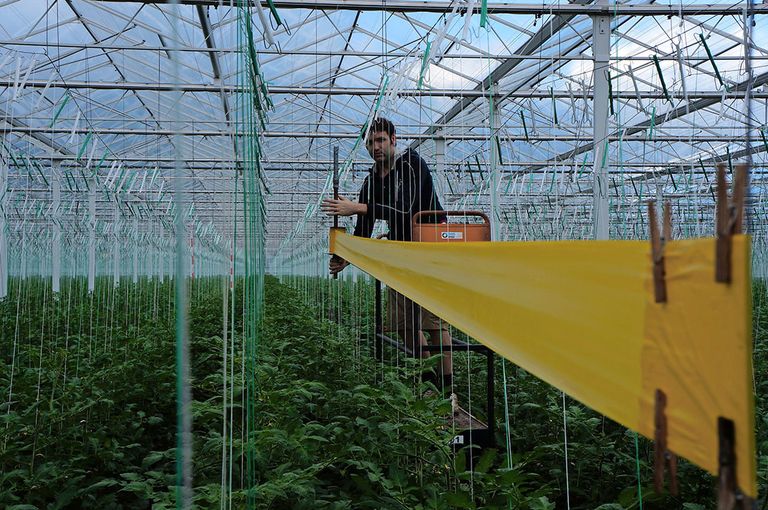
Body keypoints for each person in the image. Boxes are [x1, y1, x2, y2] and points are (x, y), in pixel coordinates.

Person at [321, 117, 454, 393]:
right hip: (402, 252)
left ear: (394, 139)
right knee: (403, 322)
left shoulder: (411, 164)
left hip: (430, 248)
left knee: (432, 322)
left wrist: (356, 207)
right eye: (370, 143)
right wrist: (348, 256)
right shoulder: (372, 179)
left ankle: (449, 388)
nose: (376, 147)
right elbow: (364, 227)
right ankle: (429, 382)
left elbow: (404, 211)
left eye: (380, 140)